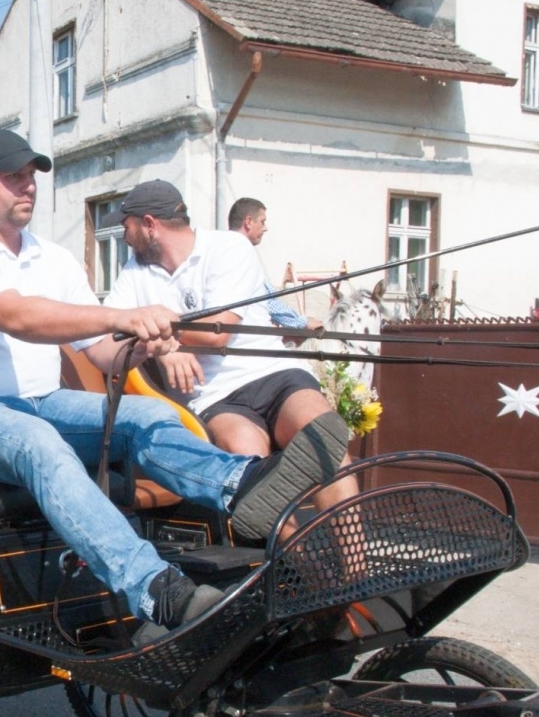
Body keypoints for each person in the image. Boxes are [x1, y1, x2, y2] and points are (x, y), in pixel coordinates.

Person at [0, 130, 347, 640]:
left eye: (31, 176)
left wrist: (144, 343)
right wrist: (127, 314)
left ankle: (242, 486)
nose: (27, 187)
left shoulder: (51, 258)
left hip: (41, 401)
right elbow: (19, 316)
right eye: (14, 177)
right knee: (39, 444)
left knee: (151, 416)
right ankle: (154, 588)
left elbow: (99, 350)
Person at [105, 180, 357, 510]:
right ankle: (295, 560)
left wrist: (162, 334)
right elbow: (113, 330)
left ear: (149, 225)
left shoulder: (228, 247)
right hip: (215, 397)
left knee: (324, 443)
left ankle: (355, 562)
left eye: (127, 227)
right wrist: (165, 348)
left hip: (275, 374)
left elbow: (216, 332)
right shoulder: (135, 271)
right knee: (246, 465)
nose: (124, 238)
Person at [228, 196, 314, 330]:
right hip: (248, 339)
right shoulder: (242, 251)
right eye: (262, 222)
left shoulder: (219, 249)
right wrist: (302, 322)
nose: (265, 228)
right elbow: (268, 300)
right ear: (249, 222)